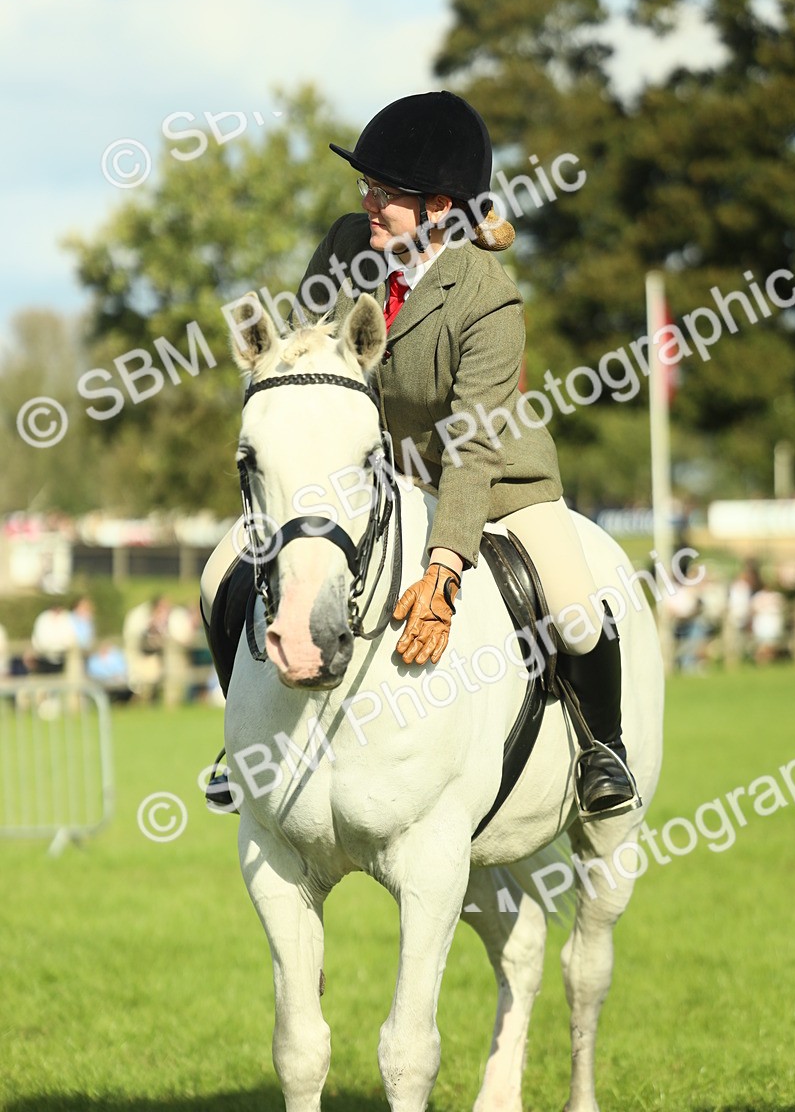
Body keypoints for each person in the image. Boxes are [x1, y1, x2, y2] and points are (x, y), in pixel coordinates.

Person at [201, 90, 639, 819]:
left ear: (438, 208)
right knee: (225, 571)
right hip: (379, 478)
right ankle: (242, 740)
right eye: (367, 187)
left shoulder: (487, 300)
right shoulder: (347, 246)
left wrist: (443, 567)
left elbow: (472, 451)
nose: (368, 202)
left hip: (497, 480)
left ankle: (604, 748)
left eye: (385, 194)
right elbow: (314, 359)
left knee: (575, 612)